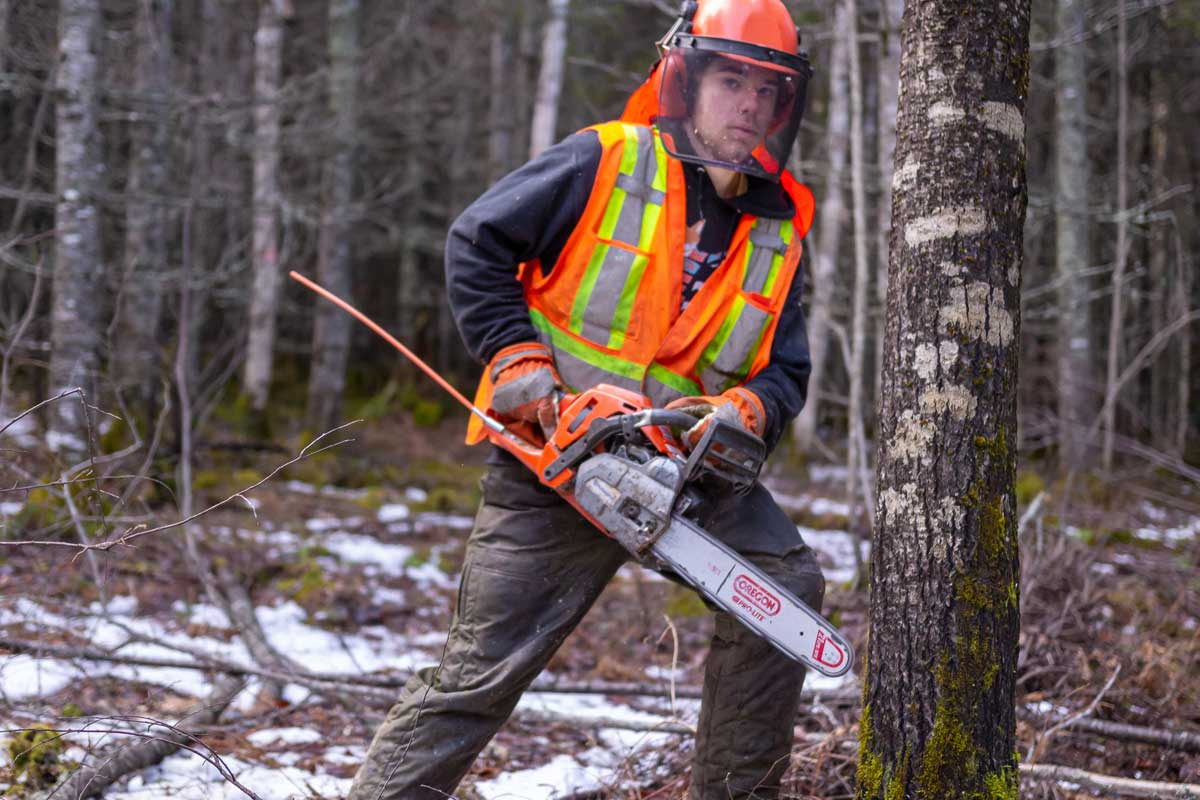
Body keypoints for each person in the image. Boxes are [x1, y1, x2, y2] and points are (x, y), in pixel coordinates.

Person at [347, 1, 823, 797]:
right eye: (732, 80)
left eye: (767, 89)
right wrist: (521, 366)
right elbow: (478, 241)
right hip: (560, 459)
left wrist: (747, 413)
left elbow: (785, 371)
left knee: (783, 594)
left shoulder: (781, 227)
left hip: (685, 470)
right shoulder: (606, 159)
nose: (749, 103)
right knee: (478, 676)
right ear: (688, 79)